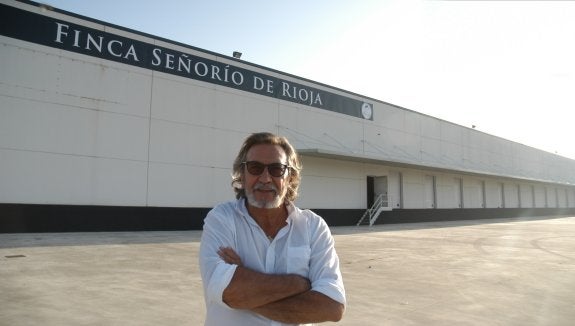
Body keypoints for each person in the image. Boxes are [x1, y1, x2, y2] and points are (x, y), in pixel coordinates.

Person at [199, 132, 346, 325]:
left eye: (277, 169)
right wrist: (300, 283)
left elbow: (332, 307)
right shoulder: (221, 219)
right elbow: (228, 292)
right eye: (255, 168)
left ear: (290, 177)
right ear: (242, 175)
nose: (266, 178)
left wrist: (247, 289)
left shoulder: (313, 227)